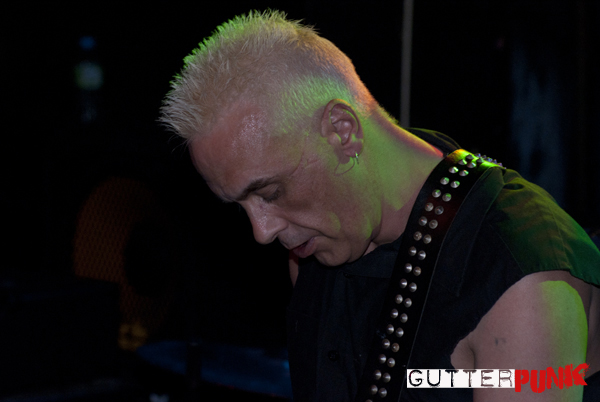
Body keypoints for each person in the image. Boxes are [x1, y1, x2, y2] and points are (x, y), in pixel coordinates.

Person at [159, 10, 600, 402]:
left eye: (271, 193)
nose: (262, 231)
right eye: (240, 206)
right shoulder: (316, 246)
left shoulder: (521, 281)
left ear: (342, 131)